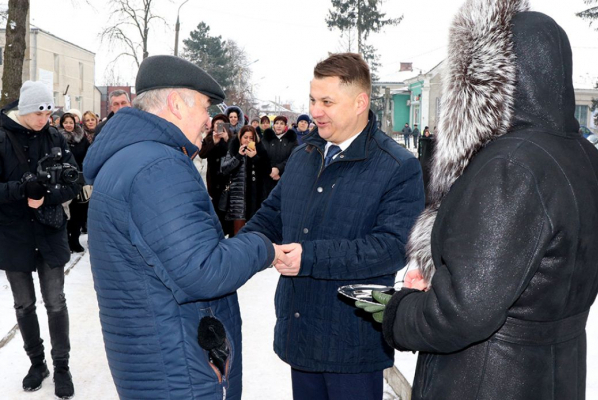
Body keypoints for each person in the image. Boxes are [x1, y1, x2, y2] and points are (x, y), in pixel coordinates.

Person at [371, 2, 598, 400]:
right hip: (555, 372)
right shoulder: (585, 157)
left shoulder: (512, 164)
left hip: (487, 378)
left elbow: (464, 311)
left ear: (490, 78)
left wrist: (399, 312)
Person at [83, 55, 286, 400]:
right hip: (179, 367)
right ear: (176, 104)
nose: (209, 121)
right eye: (205, 107)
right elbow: (201, 270)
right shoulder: (158, 166)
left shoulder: (130, 157)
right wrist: (265, 249)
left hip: (154, 355)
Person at [241, 53, 424, 400]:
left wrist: (308, 257)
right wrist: (238, 249)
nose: (315, 111)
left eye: (327, 101)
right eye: (312, 100)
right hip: (302, 331)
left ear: (360, 103)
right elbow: (272, 216)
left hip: (352, 344)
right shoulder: (305, 155)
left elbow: (390, 248)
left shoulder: (397, 167)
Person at [0, 81, 80, 399]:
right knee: (24, 304)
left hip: (49, 230)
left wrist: (46, 196)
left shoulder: (55, 137)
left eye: (49, 111)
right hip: (13, 234)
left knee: (56, 302)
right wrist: (22, 188)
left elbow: (74, 180)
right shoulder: (2, 139)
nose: (45, 118)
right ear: (25, 110)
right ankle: (37, 363)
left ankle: (62, 367)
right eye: (39, 112)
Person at [220, 125, 271, 235]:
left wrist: (255, 157)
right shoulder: (233, 148)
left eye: (251, 138)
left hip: (256, 196)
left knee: (254, 230)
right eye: (245, 137)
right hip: (238, 198)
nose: (248, 141)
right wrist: (238, 156)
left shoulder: (260, 149)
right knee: (238, 231)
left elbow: (267, 171)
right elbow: (224, 170)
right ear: (240, 138)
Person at [58, 113, 90, 252]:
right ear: (62, 124)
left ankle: (75, 240)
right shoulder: (57, 138)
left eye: (71, 122)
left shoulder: (82, 138)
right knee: (66, 212)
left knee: (79, 212)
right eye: (66, 122)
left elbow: (89, 155)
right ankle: (65, 241)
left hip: (80, 178)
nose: (69, 125)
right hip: (64, 179)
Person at [199, 113, 234, 235]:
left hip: (227, 178)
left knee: (226, 206)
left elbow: (235, 154)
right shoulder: (209, 138)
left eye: (221, 124)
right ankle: (217, 232)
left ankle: (228, 231)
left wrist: (226, 139)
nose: (218, 126)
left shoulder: (231, 138)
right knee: (215, 205)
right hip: (213, 178)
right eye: (216, 124)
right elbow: (202, 154)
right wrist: (213, 142)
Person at [261, 115, 298, 197]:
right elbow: (262, 156)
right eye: (276, 123)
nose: (279, 125)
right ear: (273, 125)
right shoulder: (267, 138)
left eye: (281, 123)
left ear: (285, 126)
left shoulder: (291, 140)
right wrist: (271, 170)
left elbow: (293, 157)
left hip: (285, 177)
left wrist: (279, 169)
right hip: (267, 178)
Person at [417, 126, 434, 201]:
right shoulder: (423, 140)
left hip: (427, 162)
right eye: (425, 133)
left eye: (427, 133)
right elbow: (419, 150)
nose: (426, 134)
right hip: (424, 162)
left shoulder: (429, 141)